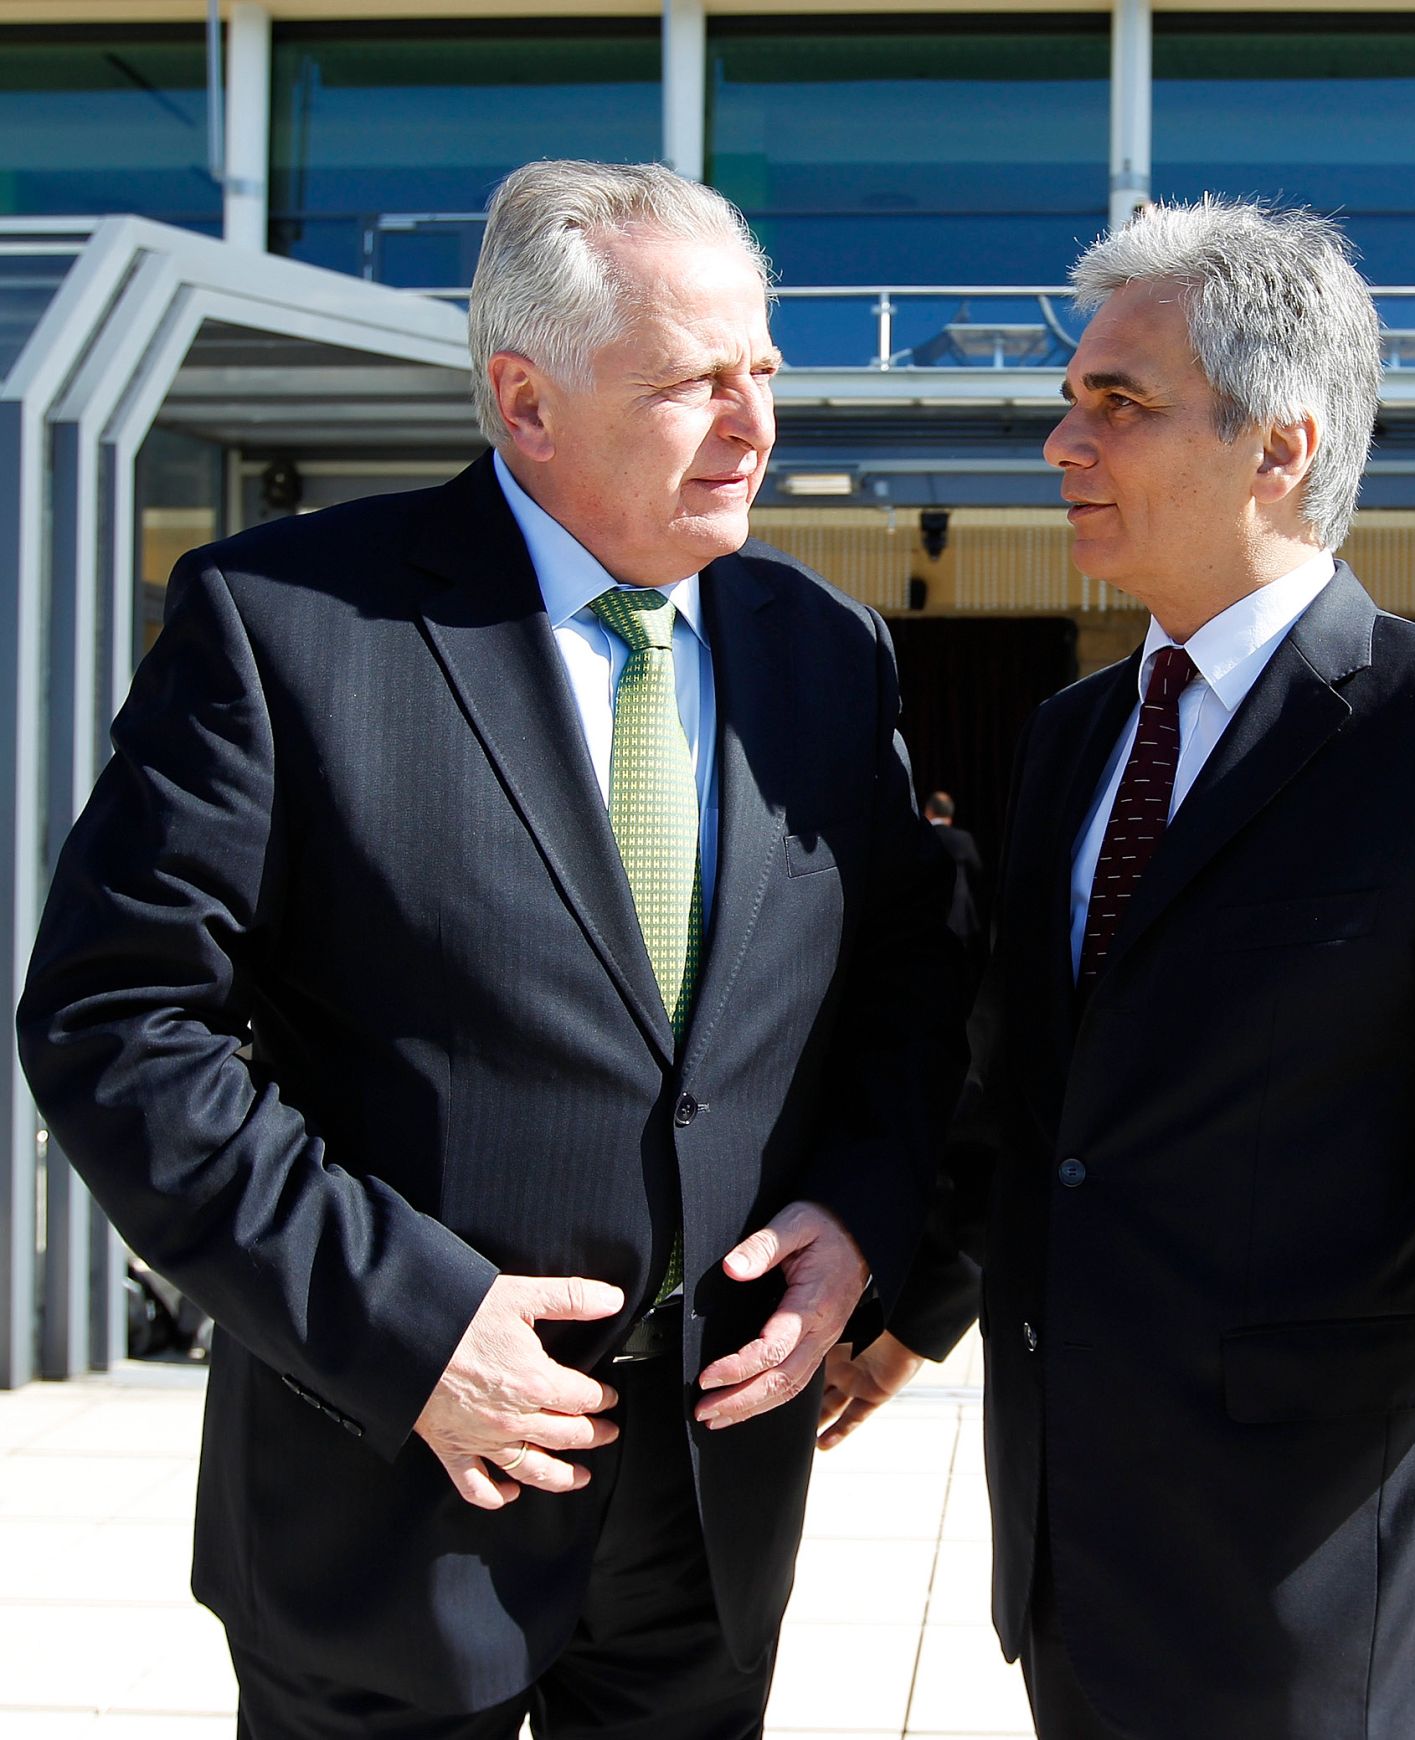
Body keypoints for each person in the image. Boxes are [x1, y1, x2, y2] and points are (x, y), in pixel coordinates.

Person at [17, 160, 962, 1739]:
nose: (756, 426)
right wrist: (407, 1324)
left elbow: (903, 986)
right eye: (693, 383)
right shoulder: (288, 623)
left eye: (766, 373)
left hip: (710, 1508)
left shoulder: (823, 649)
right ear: (526, 403)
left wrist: (862, 1216)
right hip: (388, 1485)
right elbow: (118, 1026)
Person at [821, 198, 1415, 1740]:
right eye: (1069, 401)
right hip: (1072, 1556)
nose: (1061, 445)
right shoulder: (1076, 735)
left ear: (1278, 447)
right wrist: (914, 1311)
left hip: (1317, 1586)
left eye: (1118, 404)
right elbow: (1036, 1095)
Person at [924, 789, 986, 965]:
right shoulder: (962, 839)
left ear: (928, 811)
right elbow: (978, 871)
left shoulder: (920, 836)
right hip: (959, 915)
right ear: (950, 815)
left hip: (925, 916)